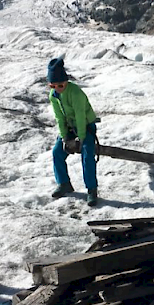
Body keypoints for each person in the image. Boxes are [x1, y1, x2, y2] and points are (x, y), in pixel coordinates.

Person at [47, 58, 99, 206]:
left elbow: (80, 116)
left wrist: (82, 138)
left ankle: (92, 189)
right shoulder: (53, 96)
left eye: (60, 84)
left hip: (86, 125)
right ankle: (64, 183)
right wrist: (64, 138)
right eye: (53, 85)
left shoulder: (75, 93)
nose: (57, 88)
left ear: (66, 81)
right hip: (70, 127)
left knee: (87, 153)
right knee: (57, 152)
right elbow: (59, 118)